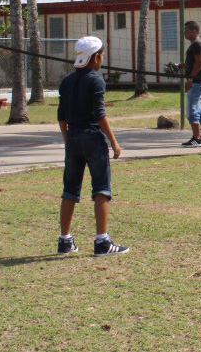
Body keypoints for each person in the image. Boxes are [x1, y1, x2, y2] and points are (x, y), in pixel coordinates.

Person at [57, 36, 127, 256]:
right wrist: (114, 143)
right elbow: (100, 115)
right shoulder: (96, 80)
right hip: (93, 139)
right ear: (95, 57)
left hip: (74, 138)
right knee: (101, 190)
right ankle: (102, 242)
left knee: (69, 191)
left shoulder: (67, 81)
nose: (102, 59)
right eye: (101, 56)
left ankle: (64, 241)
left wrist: (68, 139)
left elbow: (61, 116)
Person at [177, 20, 201, 147]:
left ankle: (197, 139)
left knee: (192, 110)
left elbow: (199, 63)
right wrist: (184, 65)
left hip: (197, 82)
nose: (185, 33)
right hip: (200, 81)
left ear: (194, 31)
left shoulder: (197, 44)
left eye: (186, 30)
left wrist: (190, 79)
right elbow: (195, 62)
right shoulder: (195, 44)